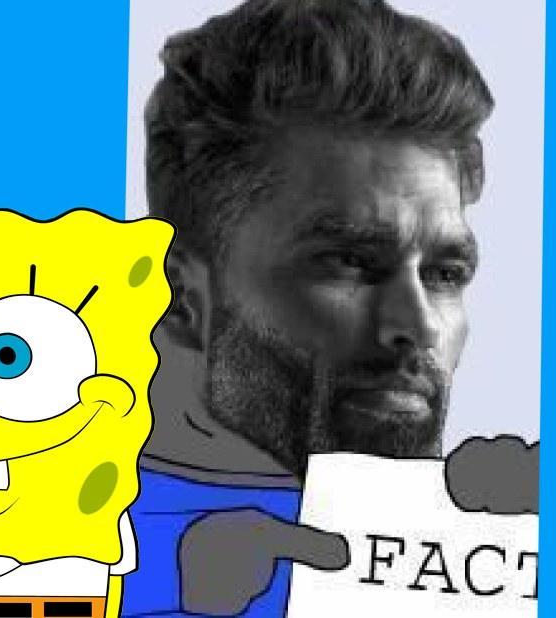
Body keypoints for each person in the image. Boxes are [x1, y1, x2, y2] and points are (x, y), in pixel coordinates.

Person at [122, 0, 494, 615]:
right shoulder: (25, 558)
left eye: (445, 274)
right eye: (348, 261)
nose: (419, 324)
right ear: (183, 297)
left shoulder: (488, 554)